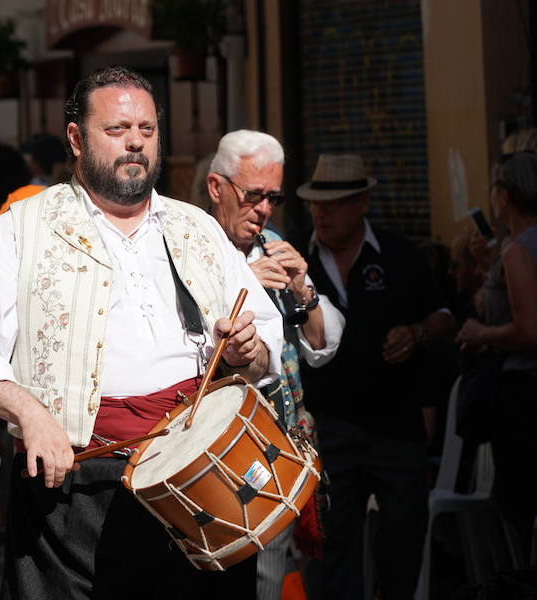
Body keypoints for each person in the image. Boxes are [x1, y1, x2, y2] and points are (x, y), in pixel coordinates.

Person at [0, 66, 284, 599]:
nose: (135, 145)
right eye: (118, 130)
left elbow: (264, 349)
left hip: (196, 480)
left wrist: (247, 350)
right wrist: (31, 413)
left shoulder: (198, 227)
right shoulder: (21, 229)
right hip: (76, 485)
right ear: (76, 138)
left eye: (146, 130)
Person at [293, 154, 453, 600]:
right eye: (315, 204)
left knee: (401, 543)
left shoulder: (399, 254)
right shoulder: (297, 263)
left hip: (396, 428)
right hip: (327, 429)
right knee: (328, 554)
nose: (321, 213)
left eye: (335, 204)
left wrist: (417, 333)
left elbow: (442, 315)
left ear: (362, 203)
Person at [206, 130, 345, 599]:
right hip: (215, 453)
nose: (264, 210)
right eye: (253, 196)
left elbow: (320, 348)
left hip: (277, 451)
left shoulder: (273, 244)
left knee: (269, 576)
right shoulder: (192, 248)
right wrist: (244, 286)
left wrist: (303, 288)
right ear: (216, 188)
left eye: (274, 197)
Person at [455, 151, 537, 565]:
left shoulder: (518, 250)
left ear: (503, 196)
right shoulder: (511, 249)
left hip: (523, 395)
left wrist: (480, 332)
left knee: (518, 506)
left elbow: (529, 330)